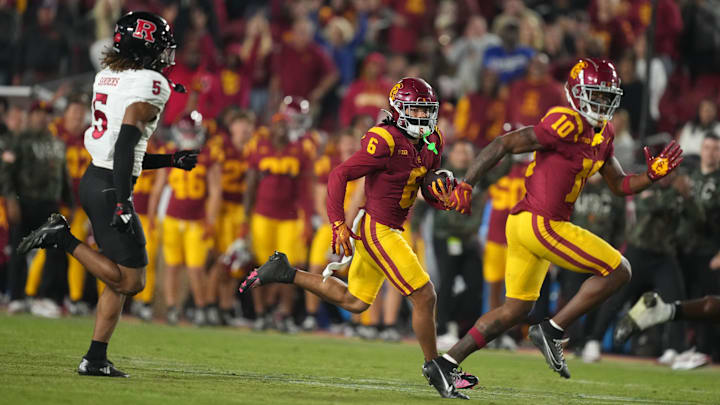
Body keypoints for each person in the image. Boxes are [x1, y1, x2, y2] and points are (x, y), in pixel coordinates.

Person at [438, 58, 683, 383]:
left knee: (514, 311)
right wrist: (467, 182)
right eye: (595, 95)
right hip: (542, 222)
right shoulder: (566, 121)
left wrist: (651, 176)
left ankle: (445, 363)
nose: (601, 103)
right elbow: (504, 143)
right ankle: (552, 330)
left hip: (529, 225)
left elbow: (620, 185)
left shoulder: (604, 132)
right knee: (620, 269)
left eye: (607, 96)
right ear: (576, 92)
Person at [239, 77, 478, 399]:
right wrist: (338, 223)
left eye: (426, 110)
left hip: (388, 225)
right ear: (399, 110)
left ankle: (285, 272)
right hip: (377, 227)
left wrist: (442, 198)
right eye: (415, 110)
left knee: (355, 302)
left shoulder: (433, 140)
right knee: (425, 295)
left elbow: (418, 184)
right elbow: (340, 174)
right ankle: (437, 367)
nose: (422, 117)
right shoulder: (385, 140)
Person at [17, 12, 198, 377]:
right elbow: (127, 141)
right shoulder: (150, 83)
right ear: (145, 49)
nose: (166, 57)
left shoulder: (110, 76)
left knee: (116, 280)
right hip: (110, 187)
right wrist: (123, 201)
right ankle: (62, 238)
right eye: (161, 49)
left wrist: (169, 160)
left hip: (95, 179)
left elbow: (121, 147)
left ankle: (95, 357)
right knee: (132, 280)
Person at [3, 100, 73, 317]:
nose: (42, 117)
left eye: (47, 114)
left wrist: (69, 202)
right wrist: (10, 200)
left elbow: (63, 175)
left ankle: (47, 298)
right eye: (38, 113)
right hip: (24, 201)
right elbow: (5, 173)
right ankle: (16, 297)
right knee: (19, 250)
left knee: (56, 252)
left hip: (49, 204)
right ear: (31, 116)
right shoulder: (17, 141)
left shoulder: (57, 143)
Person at [156, 112, 222, 326]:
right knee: (172, 266)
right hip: (172, 218)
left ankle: (201, 307)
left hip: (197, 220)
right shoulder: (169, 152)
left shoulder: (208, 155)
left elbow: (215, 192)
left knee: (196, 268)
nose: (188, 135)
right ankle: (172, 307)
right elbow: (158, 187)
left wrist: (210, 221)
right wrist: (152, 218)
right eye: (185, 130)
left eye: (192, 131)